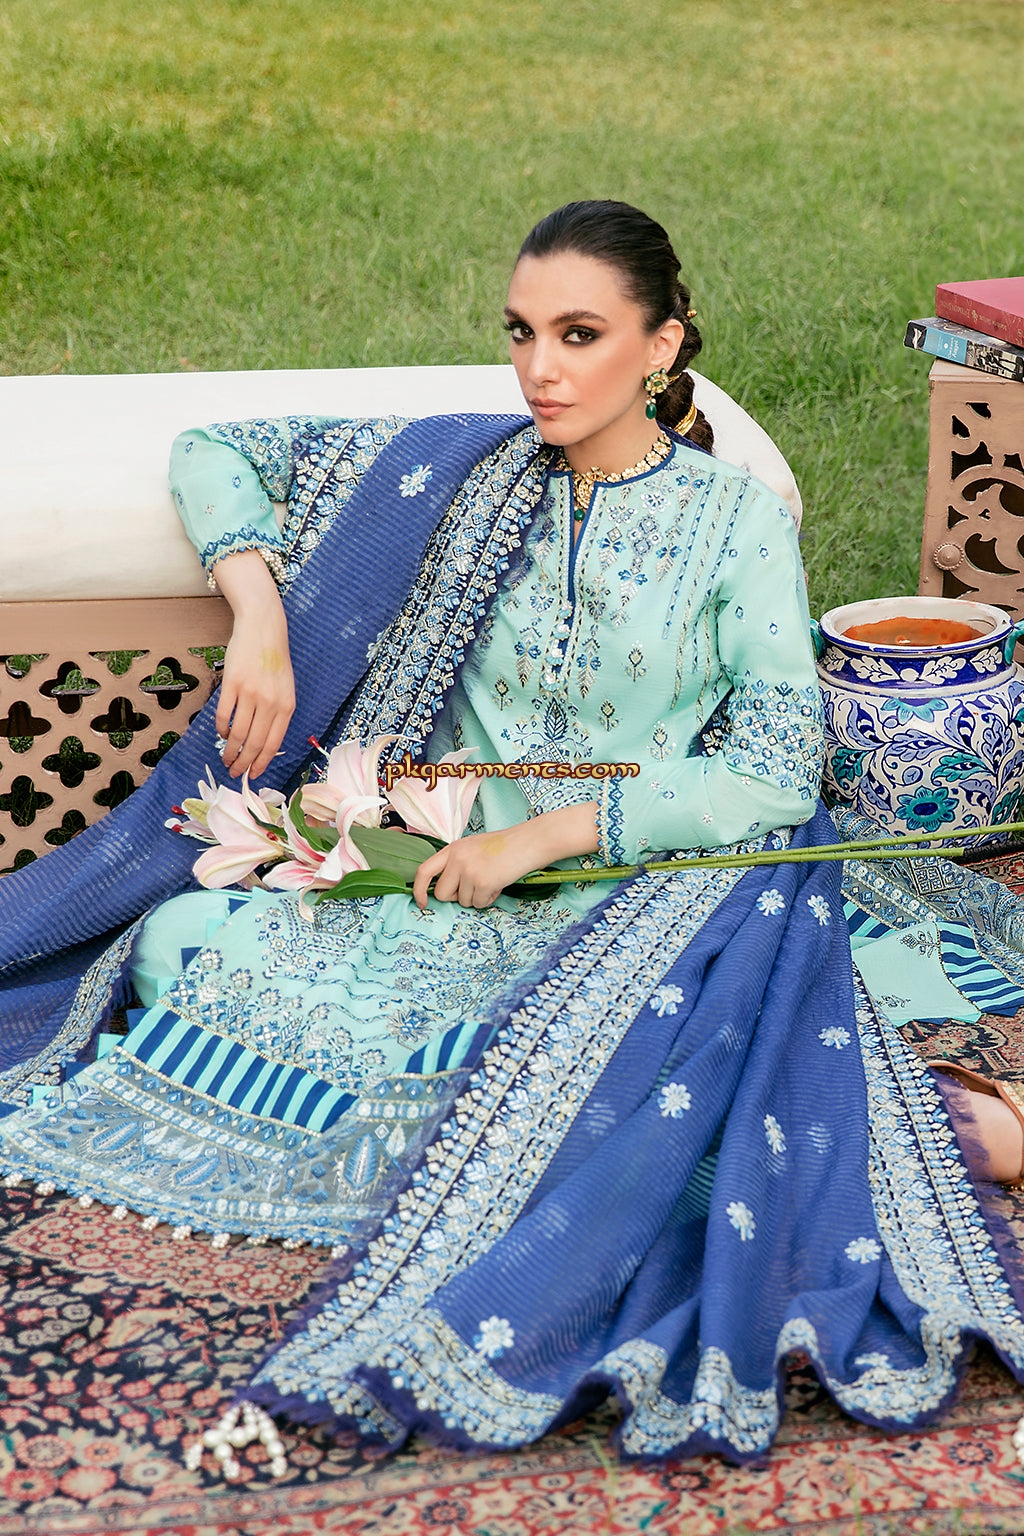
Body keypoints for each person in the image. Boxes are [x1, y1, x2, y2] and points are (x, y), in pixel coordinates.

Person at [1, 201, 1024, 1474]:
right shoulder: (466, 474)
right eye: (522, 332)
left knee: (585, 1061)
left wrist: (542, 837)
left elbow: (771, 769)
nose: (540, 368)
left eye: (579, 334)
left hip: (629, 884)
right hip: (434, 876)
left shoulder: (732, 522)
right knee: (181, 942)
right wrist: (256, 614)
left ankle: (927, 1127)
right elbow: (217, 452)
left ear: (661, 344)